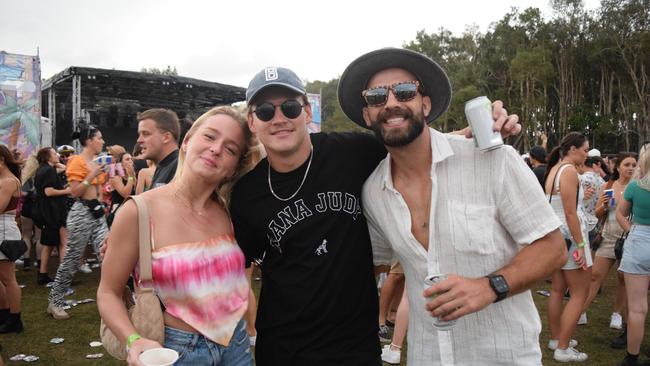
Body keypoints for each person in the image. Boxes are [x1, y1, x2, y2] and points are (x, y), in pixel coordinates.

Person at [230, 61, 521, 364]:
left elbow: (417, 142)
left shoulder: (354, 151)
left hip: (355, 345)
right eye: (265, 111)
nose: (279, 118)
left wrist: (484, 125)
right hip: (283, 348)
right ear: (252, 122)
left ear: (306, 112)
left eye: (289, 107)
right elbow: (243, 270)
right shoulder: (246, 195)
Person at [335, 47, 565, 365]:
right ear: (367, 114)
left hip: (505, 355)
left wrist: (490, 286)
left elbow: (552, 247)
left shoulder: (491, 160)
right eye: (376, 97)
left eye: (404, 91)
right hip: (426, 355)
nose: (390, 103)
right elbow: (372, 266)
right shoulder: (374, 192)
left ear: (425, 104)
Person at [98, 106, 258, 366]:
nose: (217, 149)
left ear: (232, 168)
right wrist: (132, 340)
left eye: (230, 149)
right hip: (174, 352)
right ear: (186, 142)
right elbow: (108, 292)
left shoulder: (232, 213)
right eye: (209, 136)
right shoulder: (138, 212)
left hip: (236, 346)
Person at [47, 125, 108, 320]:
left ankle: (113, 301)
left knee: (108, 256)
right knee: (72, 259)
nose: (103, 141)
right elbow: (75, 192)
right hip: (82, 213)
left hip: (98, 214)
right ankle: (55, 302)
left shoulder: (96, 162)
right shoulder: (76, 161)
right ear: (89, 141)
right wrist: (91, 176)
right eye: (99, 138)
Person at [542, 132, 593, 362]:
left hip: (557, 238)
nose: (587, 154)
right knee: (579, 295)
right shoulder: (569, 170)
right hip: (571, 238)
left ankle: (557, 338)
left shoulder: (554, 169)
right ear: (573, 149)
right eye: (585, 149)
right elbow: (570, 212)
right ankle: (562, 347)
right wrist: (581, 244)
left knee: (557, 289)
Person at [582, 153, 637, 331]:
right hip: (607, 236)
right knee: (595, 276)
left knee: (623, 279)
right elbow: (598, 214)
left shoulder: (637, 188)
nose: (630, 168)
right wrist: (604, 205)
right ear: (618, 167)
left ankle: (617, 314)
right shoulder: (609, 185)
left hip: (628, 238)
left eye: (634, 165)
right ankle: (581, 310)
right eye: (627, 164)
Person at [615, 148, 650, 366]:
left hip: (639, 241)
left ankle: (632, 358)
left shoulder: (635, 186)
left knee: (637, 307)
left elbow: (620, 213)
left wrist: (630, 230)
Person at [33, 147, 71, 285]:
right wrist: (67, 190)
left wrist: (57, 162)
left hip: (47, 212)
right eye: (54, 153)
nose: (58, 155)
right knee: (64, 242)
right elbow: (48, 192)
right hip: (53, 212)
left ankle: (42, 274)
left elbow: (64, 168)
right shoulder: (48, 170)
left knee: (48, 244)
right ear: (47, 157)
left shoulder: (44, 169)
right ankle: (64, 277)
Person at [0, 145, 24, 333]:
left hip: (4, 229)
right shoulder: (6, 179)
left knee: (9, 278)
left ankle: (14, 319)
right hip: (4, 228)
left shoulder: (8, 181)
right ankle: (6, 313)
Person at [136, 108, 180, 189]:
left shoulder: (180, 167)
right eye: (139, 134)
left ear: (166, 137)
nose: (139, 140)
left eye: (146, 134)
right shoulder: (162, 166)